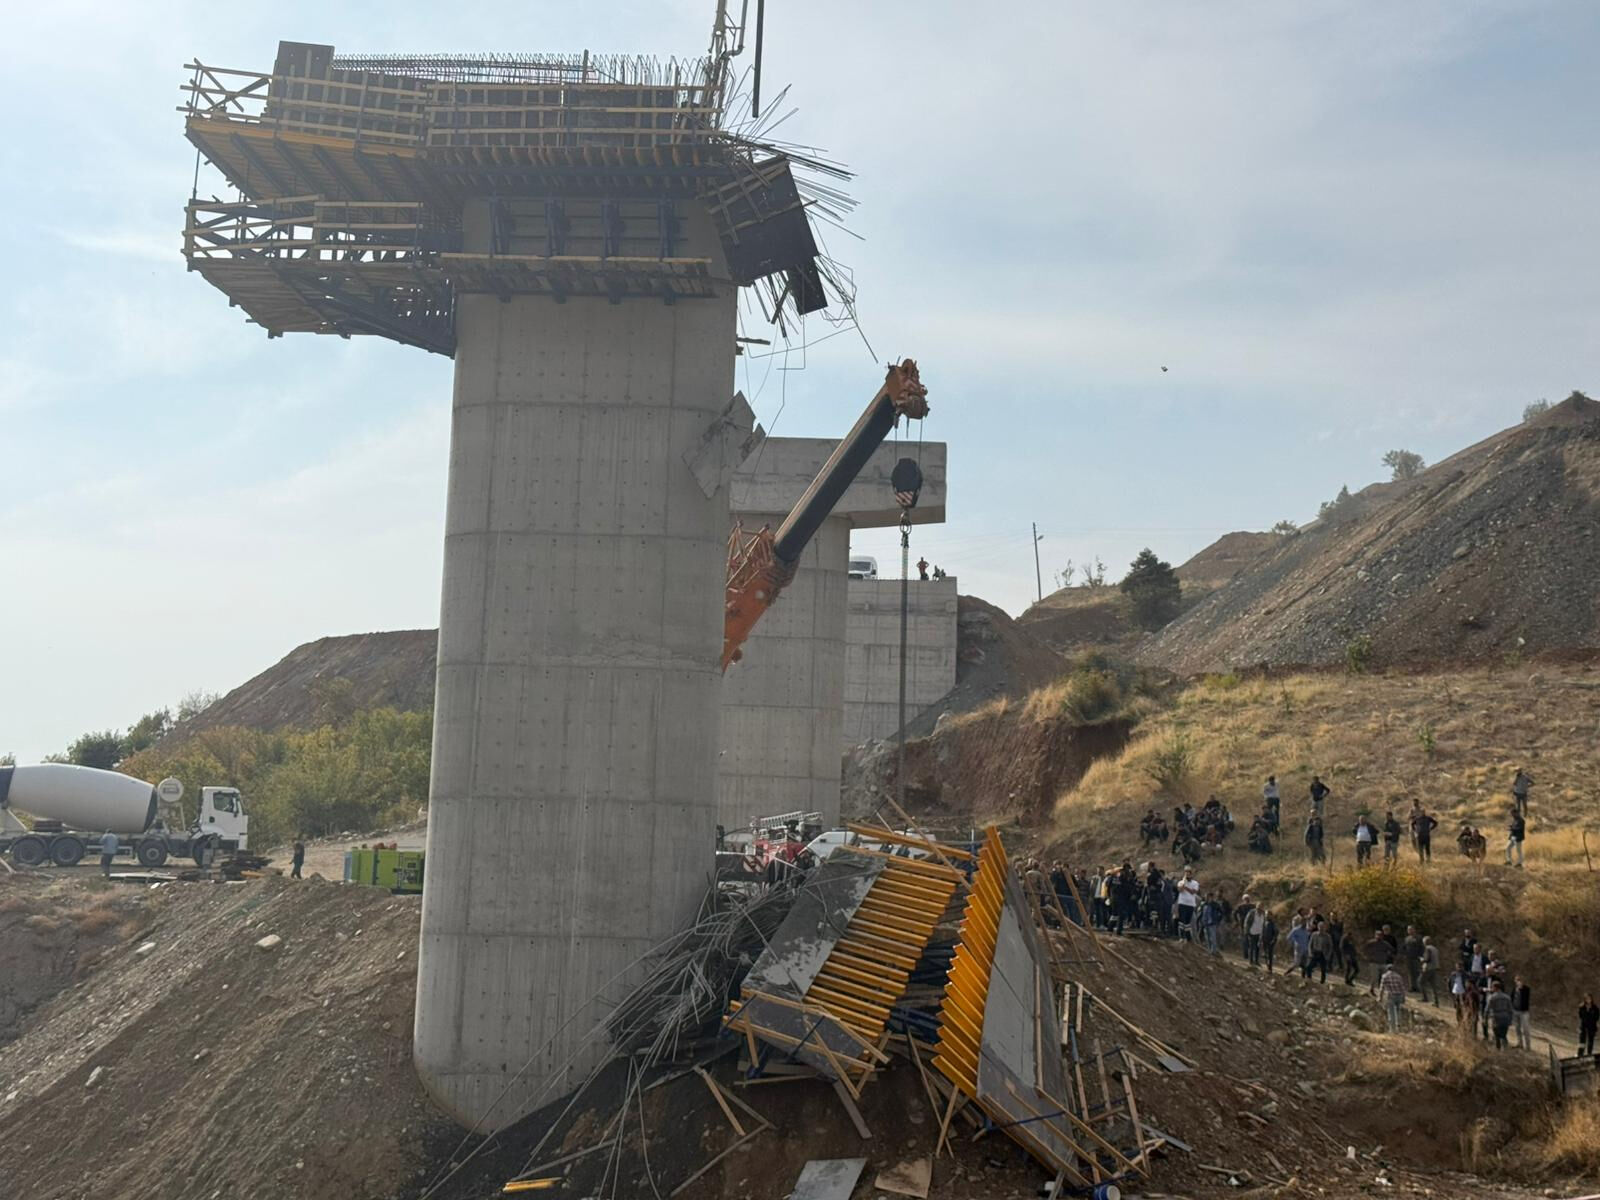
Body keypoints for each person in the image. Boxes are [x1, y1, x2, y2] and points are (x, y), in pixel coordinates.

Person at [1485, 980, 1514, 1049]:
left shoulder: (1492, 997)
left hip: (1496, 1017)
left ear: (1495, 988)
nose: (1491, 989)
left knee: (1497, 1035)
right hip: (1505, 1017)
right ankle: (1505, 1048)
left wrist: (1485, 1018)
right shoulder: (1507, 997)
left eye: (1492, 987)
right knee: (1503, 1035)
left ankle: (1498, 1049)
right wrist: (1510, 1020)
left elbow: (1487, 1009)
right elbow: (1510, 1010)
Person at [1379, 964, 1407, 1032]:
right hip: (1399, 995)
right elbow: (1402, 988)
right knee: (1398, 1011)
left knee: (1391, 1012)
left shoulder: (1385, 976)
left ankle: (1392, 1029)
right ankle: (1399, 1027)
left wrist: (1380, 997)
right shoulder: (1398, 976)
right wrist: (1404, 997)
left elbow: (1381, 988)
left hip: (1391, 996)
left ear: (1387, 969)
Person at [1176, 868, 1200, 941]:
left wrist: (1186, 887)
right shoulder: (1181, 882)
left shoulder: (1195, 883)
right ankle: (1181, 937)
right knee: (1181, 920)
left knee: (1187, 922)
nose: (1188, 876)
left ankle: (1188, 937)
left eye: (1189, 874)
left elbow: (1193, 892)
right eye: (1186, 874)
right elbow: (1180, 890)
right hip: (1182, 903)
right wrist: (1184, 883)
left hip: (1190, 904)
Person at [1511, 976, 1532, 1051]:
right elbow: (1512, 998)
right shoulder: (1514, 989)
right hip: (1516, 1010)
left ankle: (1528, 1046)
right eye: (1517, 980)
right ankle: (1520, 1043)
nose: (1518, 982)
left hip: (1524, 1012)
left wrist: (1521, 988)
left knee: (1525, 1029)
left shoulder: (1526, 989)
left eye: (1519, 980)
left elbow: (1526, 997)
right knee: (1517, 1028)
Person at [1402, 926, 1425, 993]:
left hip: (1416, 958)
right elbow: (1404, 947)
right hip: (1408, 958)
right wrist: (1404, 954)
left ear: (1414, 930)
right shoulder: (1406, 938)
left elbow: (1422, 948)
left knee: (1417, 973)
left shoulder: (1418, 938)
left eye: (1411, 929)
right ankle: (1412, 987)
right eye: (1408, 930)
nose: (1410, 931)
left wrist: (1421, 956)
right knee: (1410, 973)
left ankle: (1418, 987)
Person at [1419, 936, 1440, 1006]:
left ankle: (1425, 998)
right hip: (1435, 968)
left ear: (1425, 942)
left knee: (1420, 982)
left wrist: (1422, 959)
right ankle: (1436, 1001)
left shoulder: (1427, 949)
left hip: (1428, 968)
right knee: (1433, 985)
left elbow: (1427, 959)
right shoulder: (1435, 948)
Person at [1579, 993, 1599, 1057]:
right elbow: (1580, 1016)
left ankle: (1589, 1054)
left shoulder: (1595, 1008)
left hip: (1592, 1027)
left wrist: (1592, 1021)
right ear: (1585, 1000)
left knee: (1591, 1041)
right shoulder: (1582, 1007)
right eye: (1587, 999)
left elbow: (1597, 1017)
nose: (1588, 1000)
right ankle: (1580, 1054)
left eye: (1589, 998)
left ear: (1591, 999)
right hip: (1584, 1026)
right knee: (1582, 1040)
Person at [1246, 902, 1265, 967]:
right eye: (1258, 907)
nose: (1259, 908)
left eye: (1261, 907)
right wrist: (1247, 931)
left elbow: (1264, 924)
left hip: (1259, 933)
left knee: (1258, 947)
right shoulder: (1252, 913)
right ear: (1256, 907)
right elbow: (1247, 922)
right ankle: (1251, 961)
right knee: (1252, 947)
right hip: (1252, 932)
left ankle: (1256, 961)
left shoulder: (1263, 914)